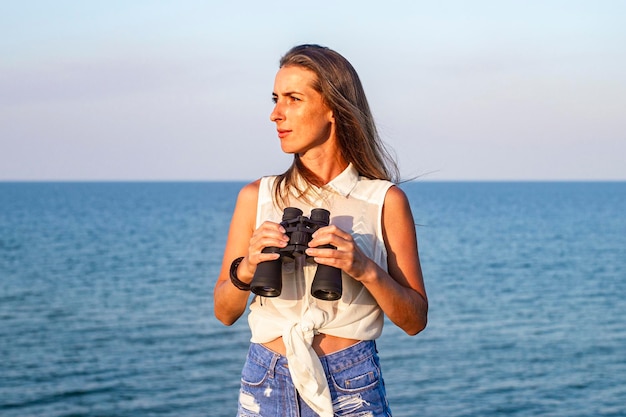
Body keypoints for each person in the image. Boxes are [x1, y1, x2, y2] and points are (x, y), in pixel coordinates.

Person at [214, 44, 428, 417]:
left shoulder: (384, 200)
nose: (275, 114)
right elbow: (224, 311)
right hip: (265, 377)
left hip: (351, 378)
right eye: (275, 99)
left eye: (293, 99)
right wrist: (246, 269)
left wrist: (363, 268)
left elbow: (414, 320)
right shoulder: (256, 196)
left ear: (334, 108)